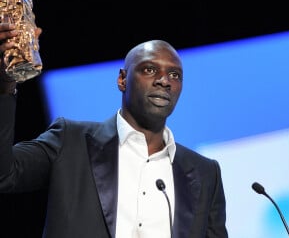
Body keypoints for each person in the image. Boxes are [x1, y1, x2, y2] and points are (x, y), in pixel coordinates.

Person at [0, 21, 228, 238]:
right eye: (149, 69)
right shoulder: (70, 141)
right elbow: (4, 174)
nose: (164, 81)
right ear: (122, 80)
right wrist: (5, 83)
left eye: (174, 75)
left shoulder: (204, 173)